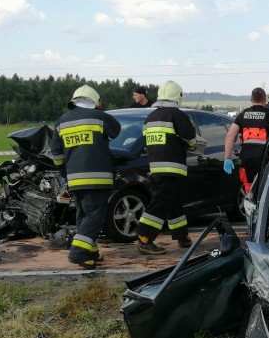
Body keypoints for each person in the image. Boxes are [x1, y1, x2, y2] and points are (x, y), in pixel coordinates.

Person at [49, 85, 121, 269]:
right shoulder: (99, 117)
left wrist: (65, 174)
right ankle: (79, 253)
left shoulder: (61, 122)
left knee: (84, 216)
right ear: (95, 102)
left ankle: (91, 251)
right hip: (97, 178)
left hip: (74, 179)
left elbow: (56, 155)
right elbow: (116, 130)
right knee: (95, 216)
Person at [134, 80, 196, 254]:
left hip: (155, 167)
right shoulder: (177, 115)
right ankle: (144, 237)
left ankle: (182, 237)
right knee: (160, 203)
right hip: (173, 167)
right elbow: (191, 138)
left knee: (173, 202)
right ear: (178, 97)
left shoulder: (150, 117)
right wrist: (189, 145)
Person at [224, 87, 269, 192]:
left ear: (252, 99)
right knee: (266, 188)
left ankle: (251, 206)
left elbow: (230, 136)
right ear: (265, 99)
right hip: (265, 159)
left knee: (249, 187)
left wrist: (227, 158)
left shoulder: (243, 115)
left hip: (247, 159)